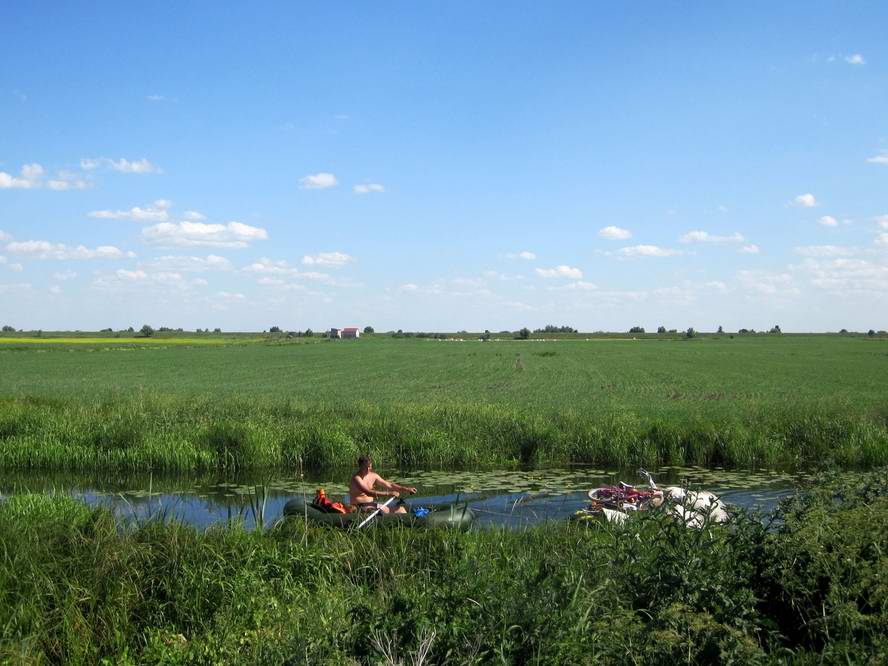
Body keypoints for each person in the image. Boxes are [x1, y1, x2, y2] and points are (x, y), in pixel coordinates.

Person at [349, 455, 416, 514]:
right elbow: (368, 492)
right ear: (360, 466)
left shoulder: (373, 476)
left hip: (371, 505)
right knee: (394, 511)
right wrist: (389, 494)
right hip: (359, 506)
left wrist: (406, 489)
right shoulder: (356, 478)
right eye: (365, 467)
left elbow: (389, 485)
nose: (367, 469)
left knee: (401, 510)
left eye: (369, 467)